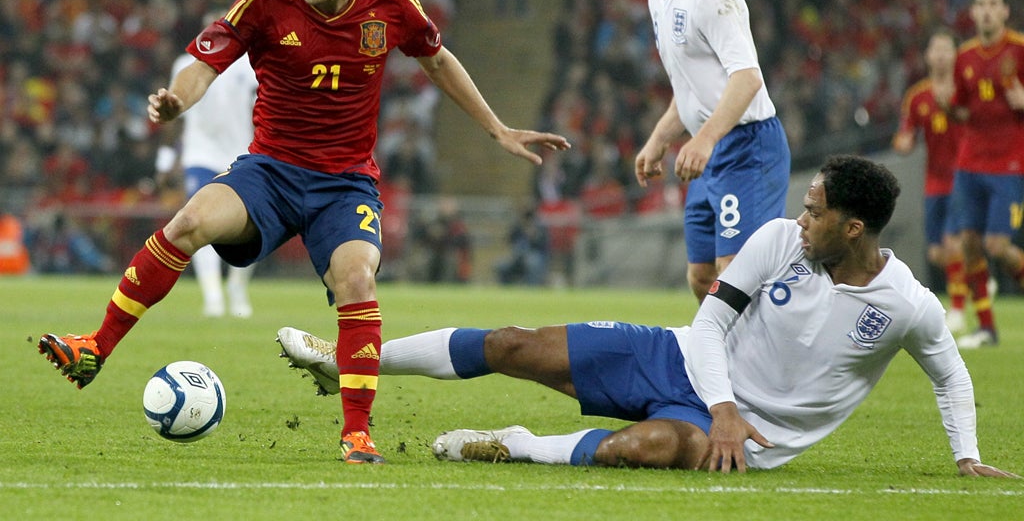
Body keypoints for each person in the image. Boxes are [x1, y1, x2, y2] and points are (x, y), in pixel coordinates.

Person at [37, 0, 571, 465]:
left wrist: (497, 128)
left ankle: (356, 432)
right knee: (187, 224)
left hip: (345, 185)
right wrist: (176, 100)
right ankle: (95, 347)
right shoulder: (266, 1)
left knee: (357, 281)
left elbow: (438, 61)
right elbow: (203, 61)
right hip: (270, 172)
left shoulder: (392, 4)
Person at [276, 155, 1018, 478]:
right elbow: (707, 325)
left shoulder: (906, 306)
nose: (800, 218)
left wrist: (965, 452)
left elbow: (950, 372)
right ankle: (349, 361)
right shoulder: (777, 243)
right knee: (512, 342)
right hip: (676, 361)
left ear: (854, 228)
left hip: (734, 439)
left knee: (652, 447)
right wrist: (722, 401)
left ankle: (513, 444)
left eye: (816, 212)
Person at [633, 0, 791, 302]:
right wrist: (659, 138)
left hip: (747, 146)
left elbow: (746, 78)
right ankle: (727, 360)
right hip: (715, 148)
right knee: (702, 276)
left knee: (735, 274)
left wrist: (703, 139)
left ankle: (775, 357)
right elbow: (691, 88)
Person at [155, 46, 259, 317]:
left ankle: (237, 287)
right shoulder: (186, 62)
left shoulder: (250, 62)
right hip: (200, 153)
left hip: (241, 151)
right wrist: (165, 159)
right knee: (196, 222)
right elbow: (174, 112)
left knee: (252, 225)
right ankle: (212, 295)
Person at [948, 0, 1024, 348]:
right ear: (973, 12)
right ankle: (987, 329)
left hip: (1009, 166)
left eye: (994, 4)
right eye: (981, 4)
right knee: (970, 243)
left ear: (1005, 11)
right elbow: (961, 107)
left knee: (998, 246)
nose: (987, 10)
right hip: (969, 163)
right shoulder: (964, 57)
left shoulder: (1020, 50)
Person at [892, 29, 970, 333]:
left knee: (952, 243)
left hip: (964, 176)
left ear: (955, 55)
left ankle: (959, 309)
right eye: (935, 49)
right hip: (934, 181)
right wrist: (903, 142)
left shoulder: (966, 90)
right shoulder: (917, 96)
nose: (940, 55)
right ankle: (975, 275)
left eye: (946, 49)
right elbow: (905, 134)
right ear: (927, 56)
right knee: (937, 252)